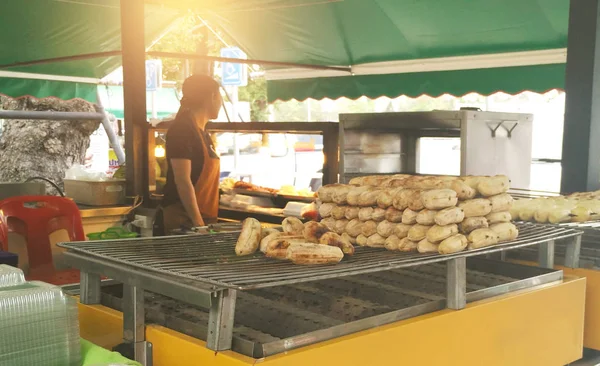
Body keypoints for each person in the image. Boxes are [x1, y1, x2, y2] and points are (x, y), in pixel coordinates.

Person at [158, 74, 222, 234]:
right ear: (213, 96)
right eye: (220, 97)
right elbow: (183, 181)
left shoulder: (202, 132)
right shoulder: (183, 129)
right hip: (184, 219)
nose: (221, 103)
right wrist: (199, 224)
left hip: (202, 217)